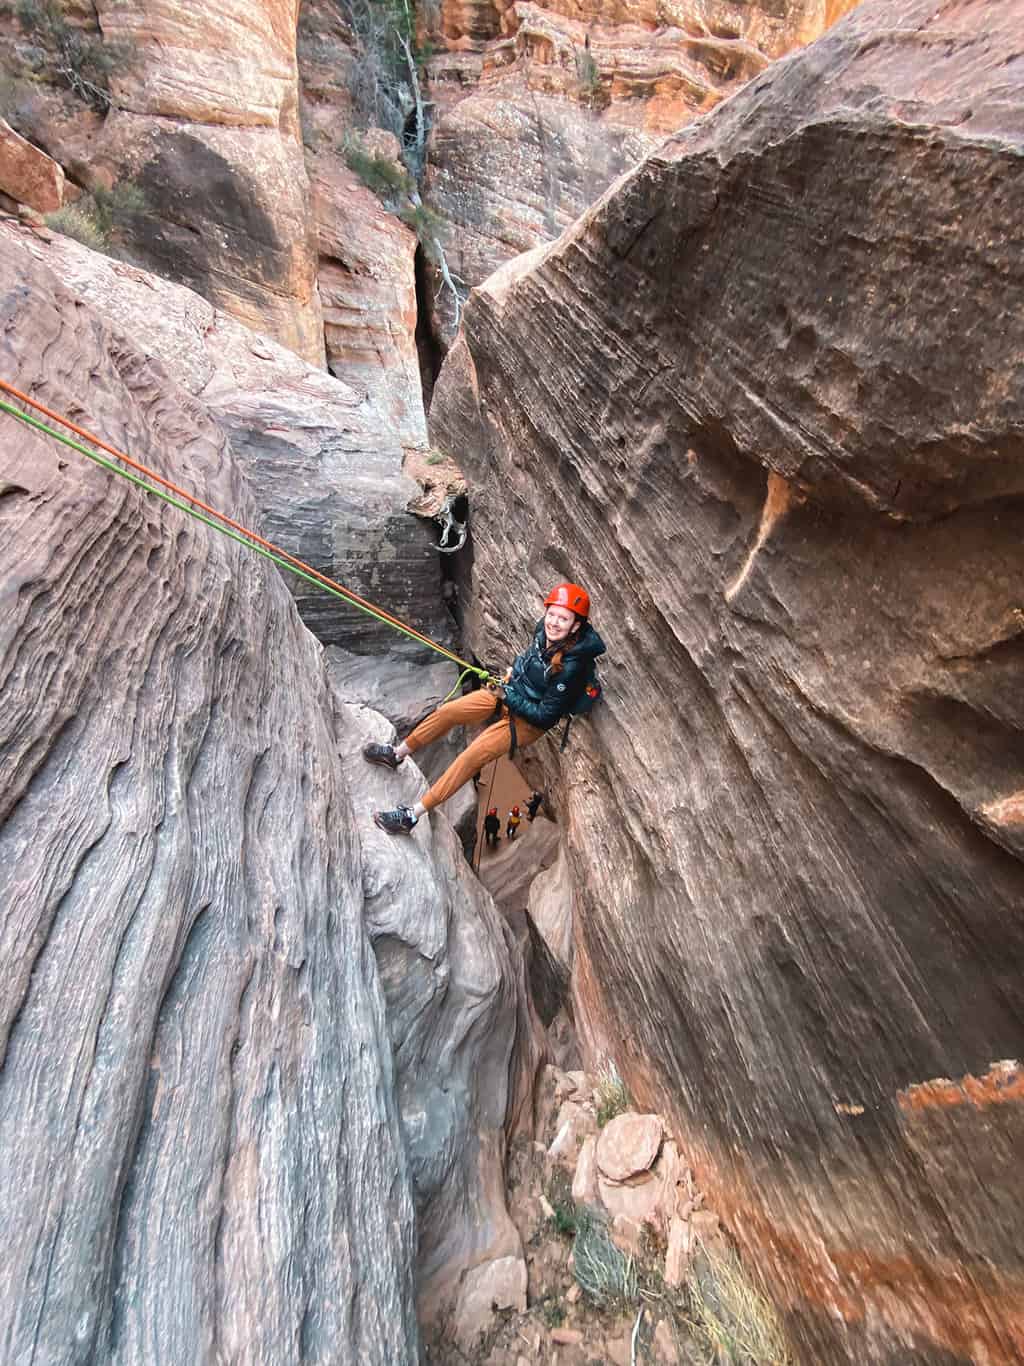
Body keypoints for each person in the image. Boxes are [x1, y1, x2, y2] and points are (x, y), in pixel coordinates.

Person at [364, 582, 605, 834]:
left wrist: (507, 695)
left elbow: (545, 717)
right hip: (511, 691)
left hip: (527, 723)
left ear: (575, 626)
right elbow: (528, 658)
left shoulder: (571, 668)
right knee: (448, 712)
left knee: (470, 758)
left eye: (563, 619)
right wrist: (513, 674)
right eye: (552, 614)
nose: (554, 622)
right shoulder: (542, 631)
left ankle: (411, 816)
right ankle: (396, 754)